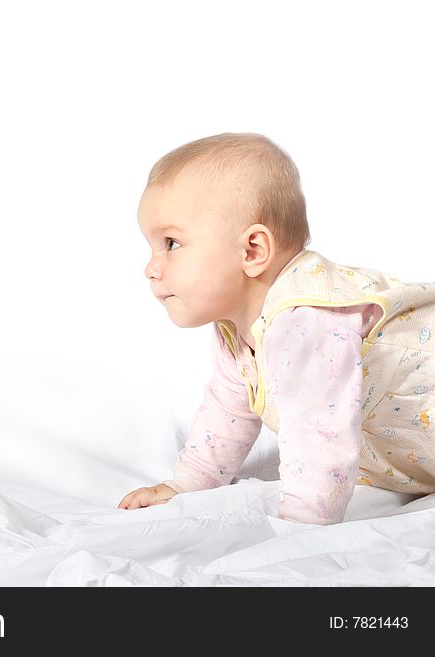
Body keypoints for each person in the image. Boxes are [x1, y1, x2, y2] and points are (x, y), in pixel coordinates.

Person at [119, 133, 435, 524]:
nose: (151, 267)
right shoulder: (238, 333)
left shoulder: (305, 321)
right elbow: (226, 411)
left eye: (171, 243)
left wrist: (301, 523)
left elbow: (318, 438)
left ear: (253, 250)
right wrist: (189, 484)